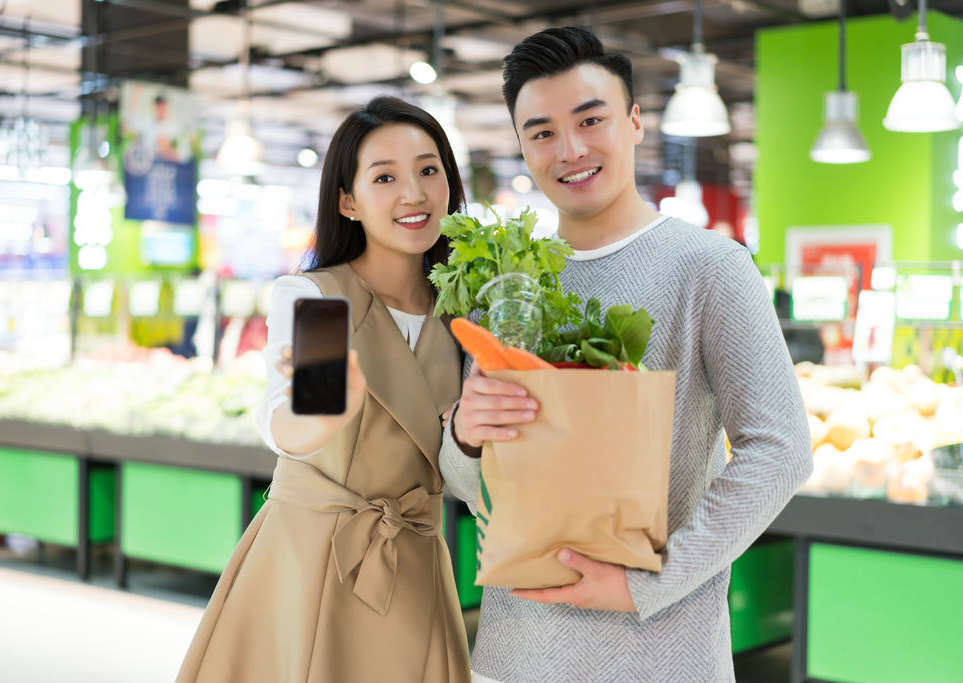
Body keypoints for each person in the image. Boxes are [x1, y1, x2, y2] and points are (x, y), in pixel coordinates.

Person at [440, 27, 813, 682]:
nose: (571, 149)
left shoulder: (710, 267)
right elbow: (473, 489)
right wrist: (465, 438)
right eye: (543, 132)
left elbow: (781, 449)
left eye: (591, 119)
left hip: (662, 655)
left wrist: (651, 581)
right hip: (516, 653)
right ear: (524, 148)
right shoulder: (508, 284)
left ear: (636, 123)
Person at [176, 96, 470, 683]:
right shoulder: (319, 300)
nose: (412, 193)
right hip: (314, 558)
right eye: (384, 176)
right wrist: (317, 421)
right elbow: (289, 419)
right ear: (348, 201)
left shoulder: (466, 307)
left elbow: (463, 465)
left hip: (413, 554)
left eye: (428, 169)